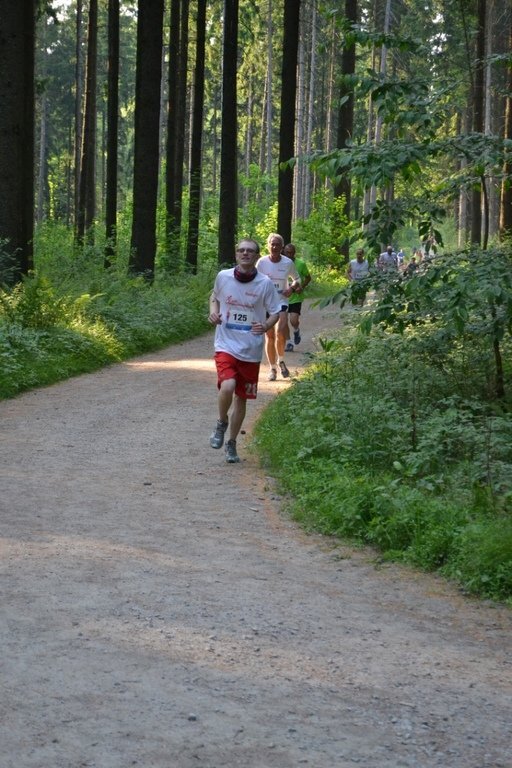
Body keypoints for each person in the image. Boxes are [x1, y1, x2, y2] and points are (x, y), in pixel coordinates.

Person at [208, 238, 281, 463]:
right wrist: (213, 312)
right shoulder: (223, 276)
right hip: (225, 344)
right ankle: (221, 422)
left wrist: (266, 326)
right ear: (236, 254)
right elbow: (214, 297)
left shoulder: (264, 283)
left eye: (250, 251)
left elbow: (275, 311)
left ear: (257, 256)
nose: (245, 254)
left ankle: (231, 443)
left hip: (250, 348)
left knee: (242, 398)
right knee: (228, 385)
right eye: (241, 250)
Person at [256, 233, 301, 380]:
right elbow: (254, 280)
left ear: (282, 247)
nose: (274, 247)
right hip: (265, 304)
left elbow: (297, 279)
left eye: (277, 245)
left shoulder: (287, 263)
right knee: (269, 336)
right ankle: (272, 368)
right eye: (272, 244)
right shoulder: (261, 263)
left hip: (281, 302)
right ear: (268, 245)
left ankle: (281, 360)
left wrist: (291, 288)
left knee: (280, 331)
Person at [282, 243, 311, 352]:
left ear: (294, 253)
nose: (289, 255)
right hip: (283, 297)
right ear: (284, 252)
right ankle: (289, 343)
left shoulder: (301, 264)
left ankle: (296, 330)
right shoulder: (280, 263)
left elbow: (308, 277)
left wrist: (301, 287)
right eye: (287, 252)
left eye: (291, 253)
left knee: (293, 320)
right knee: (283, 321)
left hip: (296, 297)